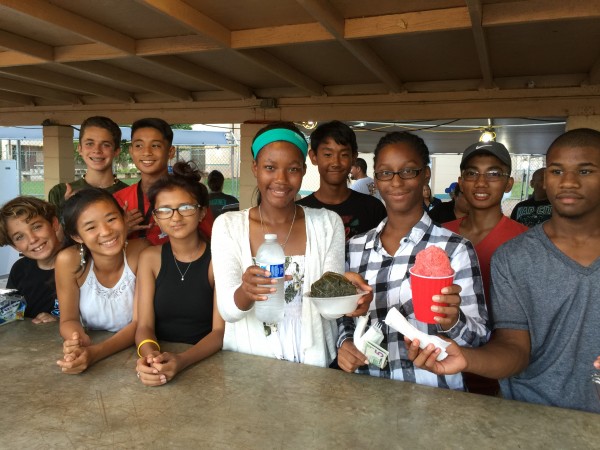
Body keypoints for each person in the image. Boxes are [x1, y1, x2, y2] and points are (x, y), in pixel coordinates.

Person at [408, 128, 600, 414]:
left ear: (509, 182)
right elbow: (514, 346)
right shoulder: (513, 256)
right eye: (557, 171)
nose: (569, 182)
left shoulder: (511, 241)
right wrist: (466, 357)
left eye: (584, 171)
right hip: (523, 408)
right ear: (545, 178)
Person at [337, 131, 489, 390]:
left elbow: (479, 337)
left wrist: (452, 321)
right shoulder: (355, 248)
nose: (396, 182)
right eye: (386, 173)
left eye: (408, 171)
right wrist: (345, 343)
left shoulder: (454, 249)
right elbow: (344, 317)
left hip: (433, 397)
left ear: (425, 174)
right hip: (365, 396)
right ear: (376, 179)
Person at [212, 122, 371, 367]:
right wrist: (246, 291)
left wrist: (347, 293)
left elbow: (329, 312)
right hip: (248, 365)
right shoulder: (228, 227)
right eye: (269, 167)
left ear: (305, 170)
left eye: (293, 169)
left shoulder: (328, 224)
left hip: (313, 364)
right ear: (255, 168)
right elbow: (229, 312)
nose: (281, 179)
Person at [443, 141, 528, 395]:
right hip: (441, 369)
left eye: (493, 173)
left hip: (503, 376)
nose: (481, 182)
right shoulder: (439, 236)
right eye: (472, 173)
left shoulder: (526, 241)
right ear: (461, 181)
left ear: (509, 183)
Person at [135, 161, 224, 386]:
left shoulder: (219, 258)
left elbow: (219, 333)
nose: (175, 217)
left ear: (202, 212)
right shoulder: (150, 258)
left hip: (207, 363)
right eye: (164, 210)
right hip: (161, 356)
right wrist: (151, 356)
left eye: (186, 207)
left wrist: (181, 361)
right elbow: (144, 325)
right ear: (155, 217)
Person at [55, 188, 149, 374]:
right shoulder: (67, 261)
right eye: (91, 227)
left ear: (124, 218)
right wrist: (77, 341)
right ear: (77, 236)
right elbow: (69, 319)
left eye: (111, 219)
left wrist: (95, 352)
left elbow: (141, 323)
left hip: (135, 357)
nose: (106, 231)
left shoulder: (142, 253)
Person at [113, 118, 214, 244]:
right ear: (131, 151)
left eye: (155, 145)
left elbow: (210, 242)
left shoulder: (189, 195)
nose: (147, 152)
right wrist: (121, 230)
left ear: (170, 152)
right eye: (139, 145)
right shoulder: (120, 200)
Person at [297, 121, 387, 240]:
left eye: (344, 154)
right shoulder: (299, 211)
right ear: (314, 157)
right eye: (328, 154)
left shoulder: (373, 208)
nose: (336, 163)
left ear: (354, 157)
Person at [48, 116, 128, 221]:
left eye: (106, 145)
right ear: (80, 149)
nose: (97, 150)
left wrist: (124, 229)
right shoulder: (60, 192)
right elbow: (53, 236)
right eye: (90, 144)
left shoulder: (129, 193)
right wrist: (67, 209)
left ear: (116, 151)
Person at [0, 196, 61, 323]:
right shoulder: (19, 269)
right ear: (15, 246)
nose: (32, 239)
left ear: (54, 224)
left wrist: (61, 320)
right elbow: (11, 314)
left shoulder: (80, 264)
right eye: (19, 237)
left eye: (36, 227)